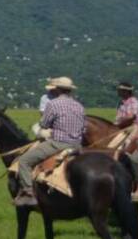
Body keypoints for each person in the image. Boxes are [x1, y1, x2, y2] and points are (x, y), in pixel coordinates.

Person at [13, 77, 86, 206]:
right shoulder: (79, 105)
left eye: (53, 89)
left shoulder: (53, 104)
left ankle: (28, 192)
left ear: (57, 90)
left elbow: (44, 124)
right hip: (77, 144)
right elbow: (84, 128)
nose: (52, 91)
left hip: (58, 143)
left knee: (24, 161)